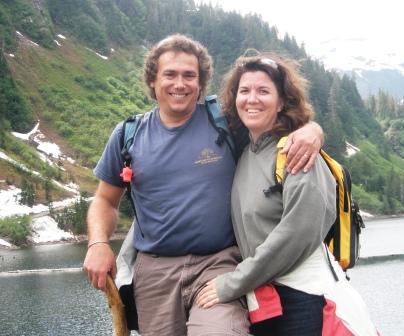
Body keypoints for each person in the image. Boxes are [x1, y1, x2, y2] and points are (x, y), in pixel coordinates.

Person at [83, 34, 324, 336]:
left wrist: (313, 130)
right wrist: (98, 243)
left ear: (201, 82)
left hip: (218, 263)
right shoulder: (128, 135)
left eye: (189, 75)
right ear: (153, 81)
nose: (180, 84)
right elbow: (105, 200)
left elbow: (268, 119)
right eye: (170, 74)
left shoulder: (223, 122)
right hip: (155, 274)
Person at [196, 52, 379, 336]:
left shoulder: (297, 153)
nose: (252, 99)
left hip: (307, 298)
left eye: (263, 91)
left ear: (282, 102)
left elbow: (296, 234)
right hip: (267, 297)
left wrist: (232, 284)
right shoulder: (245, 151)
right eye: (244, 91)